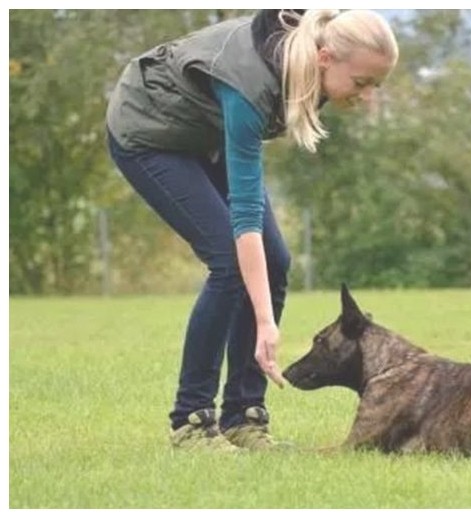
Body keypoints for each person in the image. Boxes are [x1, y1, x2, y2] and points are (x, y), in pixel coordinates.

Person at [105, 9, 399, 450]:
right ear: (324, 58)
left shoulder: (311, 54)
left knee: (276, 261)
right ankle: (191, 422)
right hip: (149, 132)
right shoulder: (251, 86)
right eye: (361, 83)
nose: (367, 97)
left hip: (203, 134)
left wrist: (264, 307)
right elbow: (244, 219)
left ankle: (243, 417)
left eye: (376, 85)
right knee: (228, 259)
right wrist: (265, 321)